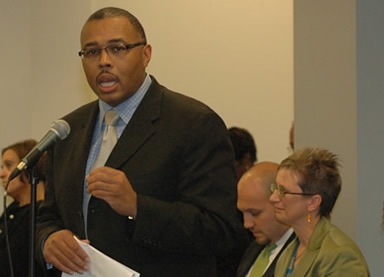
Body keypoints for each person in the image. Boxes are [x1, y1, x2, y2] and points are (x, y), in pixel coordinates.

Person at [36, 7, 244, 277]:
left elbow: (220, 230)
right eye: (92, 52)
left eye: (118, 48)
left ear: (146, 55)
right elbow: (48, 215)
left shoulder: (194, 123)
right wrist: (48, 239)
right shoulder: (68, 130)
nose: (104, 61)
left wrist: (137, 206)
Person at [270, 146, 369, 276]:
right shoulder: (288, 253)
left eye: (283, 191)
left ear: (313, 202)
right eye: (275, 188)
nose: (273, 198)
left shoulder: (340, 255)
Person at [236, 162, 295, 277]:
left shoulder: (303, 255)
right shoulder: (253, 248)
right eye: (242, 213)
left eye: (255, 213)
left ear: (279, 203)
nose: (247, 224)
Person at [0, 139, 46, 277]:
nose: (2, 173)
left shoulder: (44, 214)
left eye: (8, 166)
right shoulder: (13, 209)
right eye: (2, 167)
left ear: (30, 167)